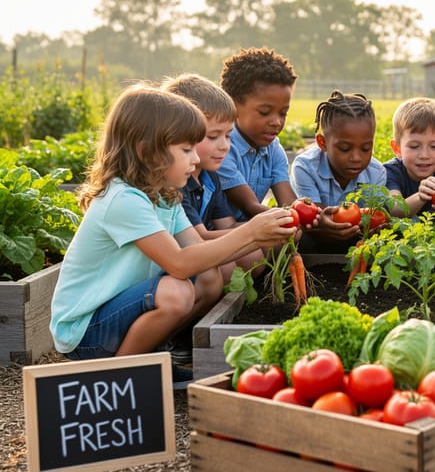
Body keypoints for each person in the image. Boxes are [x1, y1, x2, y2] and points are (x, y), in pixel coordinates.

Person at [49, 85, 295, 387]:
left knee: (206, 278)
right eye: (186, 150)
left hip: (120, 314)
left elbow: (199, 250)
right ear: (146, 151)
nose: (194, 160)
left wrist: (257, 239)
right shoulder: (123, 199)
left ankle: (151, 359)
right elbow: (180, 263)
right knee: (175, 291)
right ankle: (118, 379)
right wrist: (249, 231)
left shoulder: (165, 197)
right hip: (86, 330)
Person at [162, 73, 266, 288]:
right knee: (226, 267)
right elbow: (200, 236)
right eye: (213, 136)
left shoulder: (210, 178)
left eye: (228, 135)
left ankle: (224, 302)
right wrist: (254, 231)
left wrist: (267, 225)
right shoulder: (176, 183)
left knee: (253, 256)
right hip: (176, 259)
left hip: (199, 251)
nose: (225, 145)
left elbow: (226, 225)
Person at [290, 90, 386, 252]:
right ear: (322, 143)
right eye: (344, 148)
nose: (356, 157)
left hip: (357, 241)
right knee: (299, 237)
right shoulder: (305, 167)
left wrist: (376, 224)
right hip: (317, 236)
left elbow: (376, 215)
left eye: (365, 148)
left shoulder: (376, 172)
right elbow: (313, 214)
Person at [218, 46, 298, 222]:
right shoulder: (222, 148)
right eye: (264, 112)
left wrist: (313, 216)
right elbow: (251, 206)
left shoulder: (273, 148)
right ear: (233, 105)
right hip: (217, 235)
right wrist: (294, 218)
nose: (276, 121)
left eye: (283, 113)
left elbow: (289, 202)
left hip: (251, 227)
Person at [384, 97, 435, 218]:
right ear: (397, 148)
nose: (424, 155)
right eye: (414, 147)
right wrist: (420, 196)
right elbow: (394, 210)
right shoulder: (391, 171)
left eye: (434, 147)